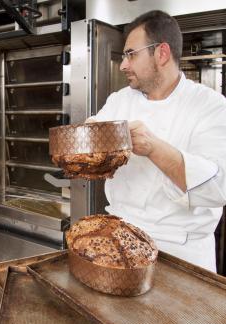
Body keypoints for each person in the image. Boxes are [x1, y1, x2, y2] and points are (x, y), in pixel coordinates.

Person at [90, 10, 226, 272]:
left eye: (131, 54)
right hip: (119, 243)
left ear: (161, 53)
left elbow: (219, 187)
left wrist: (153, 148)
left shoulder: (212, 107)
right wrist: (88, 139)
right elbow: (93, 133)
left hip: (180, 254)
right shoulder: (120, 100)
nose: (123, 65)